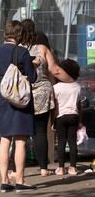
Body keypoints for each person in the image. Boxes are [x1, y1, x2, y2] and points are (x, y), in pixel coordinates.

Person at [0, 20, 37, 192]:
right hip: (20, 101)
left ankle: (4, 181)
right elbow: (32, 77)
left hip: (3, 101)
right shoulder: (22, 52)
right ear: (19, 34)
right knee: (20, 141)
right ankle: (20, 180)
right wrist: (33, 64)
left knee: (4, 140)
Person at [19, 20, 74, 177]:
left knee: (20, 133)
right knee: (40, 131)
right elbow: (55, 70)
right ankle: (44, 168)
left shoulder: (16, 50)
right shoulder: (42, 49)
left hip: (22, 94)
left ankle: (17, 169)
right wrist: (71, 80)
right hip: (42, 94)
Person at [53, 59, 82, 176]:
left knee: (61, 142)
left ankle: (61, 168)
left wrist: (53, 121)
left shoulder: (56, 87)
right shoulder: (77, 87)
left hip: (60, 116)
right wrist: (80, 121)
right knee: (72, 142)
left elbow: (54, 107)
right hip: (74, 116)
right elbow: (79, 106)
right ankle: (73, 168)